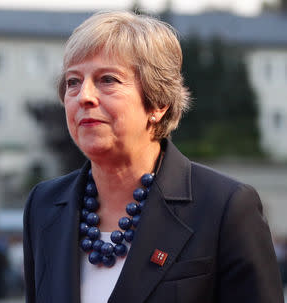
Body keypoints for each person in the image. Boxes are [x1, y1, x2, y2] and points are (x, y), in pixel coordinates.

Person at [23, 11, 283, 303]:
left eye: (107, 79)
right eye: (73, 82)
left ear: (158, 102)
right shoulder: (44, 205)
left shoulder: (225, 207)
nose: (84, 95)